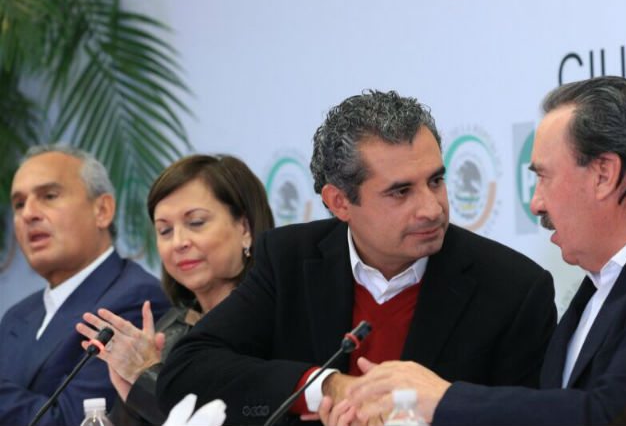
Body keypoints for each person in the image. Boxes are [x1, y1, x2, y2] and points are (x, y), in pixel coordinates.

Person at [336, 76, 626, 425]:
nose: (536, 203)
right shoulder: (605, 282)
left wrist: (443, 400)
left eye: (544, 177)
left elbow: (619, 417)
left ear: (604, 175)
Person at [157, 90, 557, 424]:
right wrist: (325, 386)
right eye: (401, 192)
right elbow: (188, 369)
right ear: (339, 202)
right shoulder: (288, 260)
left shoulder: (513, 289)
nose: (432, 208)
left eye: (436, 180)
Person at [74, 154, 275, 425]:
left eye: (196, 223)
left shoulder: (278, 324)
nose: (178, 242)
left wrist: (146, 376)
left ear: (245, 228)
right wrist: (130, 395)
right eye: (165, 230)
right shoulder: (169, 330)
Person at [0, 145, 169, 426]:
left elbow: (74, 420)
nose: (28, 213)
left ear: (102, 210)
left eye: (49, 196)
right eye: (18, 204)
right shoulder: (17, 315)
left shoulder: (135, 298)